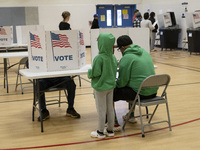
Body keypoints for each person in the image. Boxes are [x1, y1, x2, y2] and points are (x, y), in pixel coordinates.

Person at [38, 11, 80, 121]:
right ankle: (43, 110)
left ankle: (70, 108)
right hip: (47, 79)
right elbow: (30, 63)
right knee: (38, 85)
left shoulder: (63, 49)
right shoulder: (41, 51)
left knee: (71, 84)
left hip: (61, 77)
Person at [113, 35, 158, 131]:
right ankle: (131, 115)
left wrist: (114, 84)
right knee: (132, 85)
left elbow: (122, 83)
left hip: (140, 95)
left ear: (123, 47)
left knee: (108, 93)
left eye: (119, 49)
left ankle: (114, 122)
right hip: (153, 92)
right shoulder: (145, 52)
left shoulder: (127, 57)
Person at [88, 33, 118, 139]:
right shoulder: (113, 57)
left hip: (101, 88)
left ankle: (100, 132)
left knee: (101, 110)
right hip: (111, 86)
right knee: (110, 109)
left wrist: (89, 73)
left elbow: (95, 73)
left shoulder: (98, 58)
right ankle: (110, 130)